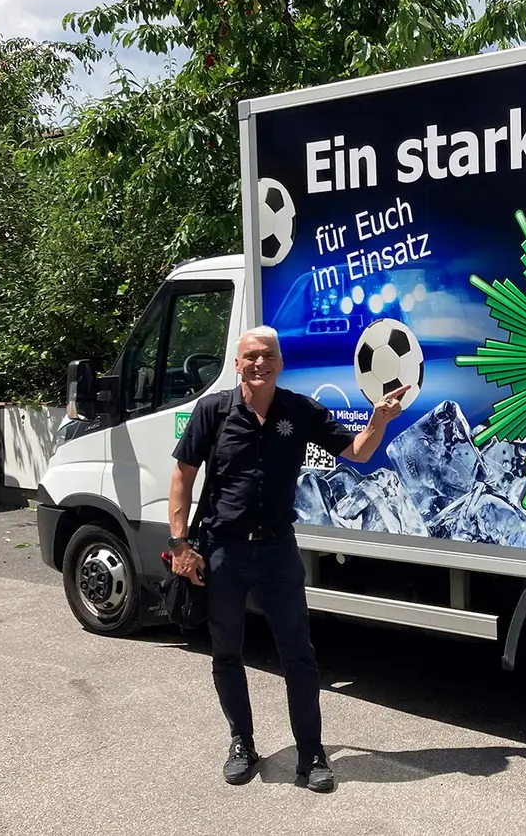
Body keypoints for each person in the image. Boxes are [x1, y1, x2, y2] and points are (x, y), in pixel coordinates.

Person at [167, 325, 409, 791]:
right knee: (226, 652)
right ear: (237, 364)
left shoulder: (299, 411)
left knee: (299, 655)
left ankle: (311, 753)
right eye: (250, 357)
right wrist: (180, 544)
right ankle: (242, 741)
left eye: (268, 356)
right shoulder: (213, 411)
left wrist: (379, 419)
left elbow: (357, 452)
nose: (259, 363)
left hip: (277, 548)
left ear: (279, 363)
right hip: (222, 550)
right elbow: (183, 476)